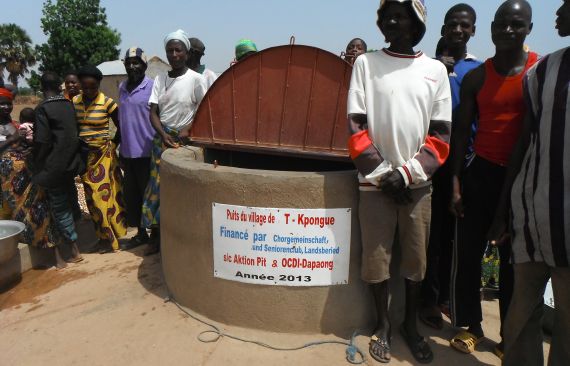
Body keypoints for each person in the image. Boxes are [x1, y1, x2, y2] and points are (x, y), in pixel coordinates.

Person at [348, 0, 451, 363]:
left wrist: (406, 175)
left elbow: (440, 136)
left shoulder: (435, 70)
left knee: (415, 261)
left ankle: (410, 324)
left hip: (417, 187)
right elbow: (356, 126)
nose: (391, 20)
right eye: (385, 15)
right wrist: (383, 175)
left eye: (400, 14)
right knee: (376, 260)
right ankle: (383, 326)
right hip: (374, 184)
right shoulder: (365, 64)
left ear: (416, 22)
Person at [448, 0, 537, 358]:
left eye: (516, 24)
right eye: (501, 23)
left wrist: (507, 206)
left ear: (528, 29)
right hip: (479, 174)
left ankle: (508, 337)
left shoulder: (537, 72)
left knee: (513, 263)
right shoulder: (476, 77)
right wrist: (455, 181)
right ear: (491, 26)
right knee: (468, 255)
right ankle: (471, 326)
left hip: (522, 180)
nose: (507, 31)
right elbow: (459, 135)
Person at [487, 1, 570, 365]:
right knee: (521, 315)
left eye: (566, 6)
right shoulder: (542, 71)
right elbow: (524, 143)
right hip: (533, 220)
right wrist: (506, 209)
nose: (559, 12)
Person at [420, 3, 480, 330]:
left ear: (473, 30)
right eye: (452, 24)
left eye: (464, 25)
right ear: (443, 29)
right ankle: (428, 300)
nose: (458, 30)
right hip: (432, 164)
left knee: (456, 239)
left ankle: (446, 296)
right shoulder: (428, 68)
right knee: (432, 236)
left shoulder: (479, 70)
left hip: (465, 166)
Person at [142, 30, 207, 255]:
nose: (174, 54)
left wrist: (187, 130)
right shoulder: (160, 79)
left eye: (178, 50)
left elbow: (204, 109)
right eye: (170, 50)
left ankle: (183, 236)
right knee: (157, 190)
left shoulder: (196, 80)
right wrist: (163, 134)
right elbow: (153, 112)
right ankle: (156, 237)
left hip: (185, 141)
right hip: (162, 140)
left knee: (181, 189)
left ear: (186, 53)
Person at [0, 87, 66, 267]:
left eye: (8, 103)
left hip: (27, 174)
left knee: (41, 210)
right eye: (2, 104)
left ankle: (55, 253)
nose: (6, 107)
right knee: (15, 216)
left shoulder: (16, 124)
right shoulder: (14, 131)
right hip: (6, 183)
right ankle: (32, 248)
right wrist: (12, 140)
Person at [73, 65, 127, 253]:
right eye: (85, 87)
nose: (88, 91)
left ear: (98, 85)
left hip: (104, 155)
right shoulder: (75, 102)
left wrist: (113, 144)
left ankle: (109, 239)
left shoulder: (107, 103)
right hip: (85, 157)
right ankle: (104, 236)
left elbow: (121, 126)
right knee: (92, 199)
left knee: (104, 197)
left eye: (93, 87)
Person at [33, 72, 84, 266]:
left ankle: (73, 249)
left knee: (60, 206)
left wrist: (37, 160)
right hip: (70, 164)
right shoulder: (68, 104)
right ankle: (77, 237)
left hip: (53, 166)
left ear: (42, 87)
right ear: (60, 86)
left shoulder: (43, 109)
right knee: (71, 199)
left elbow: (43, 141)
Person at [117, 47, 155, 250]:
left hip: (147, 152)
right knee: (133, 197)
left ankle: (156, 236)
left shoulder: (152, 87)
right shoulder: (122, 87)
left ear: (144, 65)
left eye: (136, 62)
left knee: (151, 197)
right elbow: (122, 120)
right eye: (128, 62)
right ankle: (141, 234)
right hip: (128, 153)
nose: (132, 66)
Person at [63, 71, 83, 221]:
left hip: (83, 145)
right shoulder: (62, 101)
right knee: (69, 183)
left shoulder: (85, 99)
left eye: (74, 82)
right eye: (68, 82)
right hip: (68, 148)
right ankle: (75, 212)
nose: (71, 85)